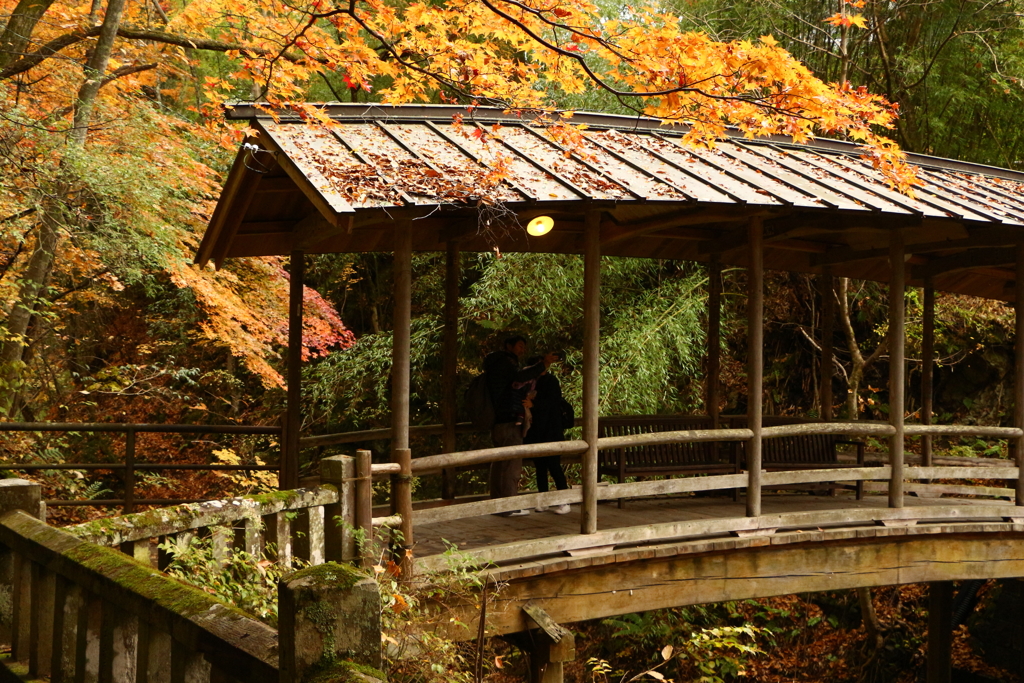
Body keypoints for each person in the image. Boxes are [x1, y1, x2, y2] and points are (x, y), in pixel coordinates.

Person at [483, 336, 555, 515]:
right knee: (511, 464)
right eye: (520, 346)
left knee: (500, 462)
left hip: (498, 420)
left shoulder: (494, 364)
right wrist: (543, 364)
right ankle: (509, 507)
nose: (522, 350)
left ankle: (497, 504)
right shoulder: (506, 363)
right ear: (509, 346)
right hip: (509, 419)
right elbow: (519, 376)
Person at [523, 355, 571, 514]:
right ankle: (543, 500)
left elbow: (553, 403)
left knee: (554, 465)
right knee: (540, 467)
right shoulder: (530, 383)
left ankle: (564, 501)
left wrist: (534, 404)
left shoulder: (551, 381)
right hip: (537, 431)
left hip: (552, 430)